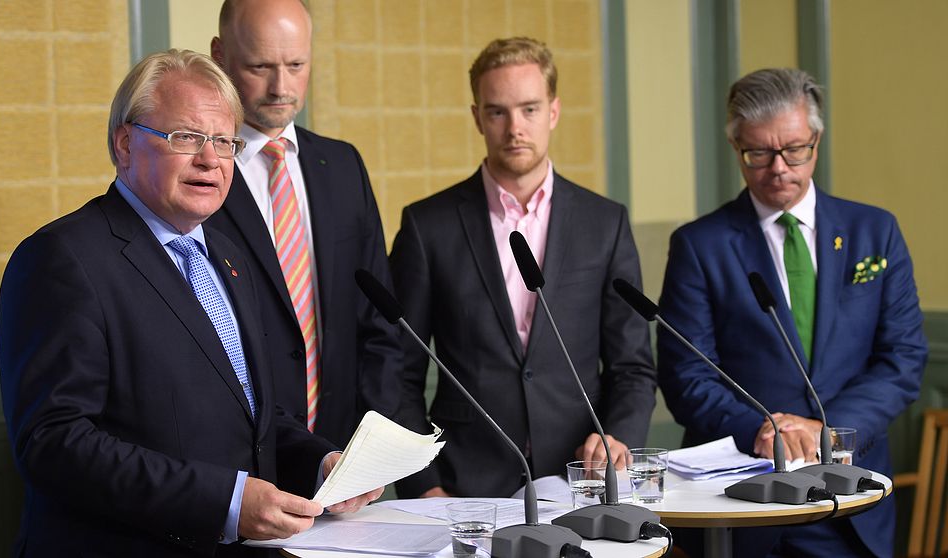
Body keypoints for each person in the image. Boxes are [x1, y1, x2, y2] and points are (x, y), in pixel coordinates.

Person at [0, 49, 380, 557]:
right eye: (186, 138)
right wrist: (224, 500)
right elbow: (53, 444)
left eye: (223, 142)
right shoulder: (61, 258)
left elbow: (249, 413)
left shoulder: (227, 254)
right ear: (125, 143)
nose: (210, 159)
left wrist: (320, 460)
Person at [657, 68, 927, 557]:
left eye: (794, 149)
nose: (778, 167)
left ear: (816, 141)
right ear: (737, 148)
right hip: (741, 507)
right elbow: (687, 376)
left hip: (851, 501)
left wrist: (828, 430)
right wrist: (764, 431)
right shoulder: (700, 245)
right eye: (758, 153)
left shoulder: (874, 232)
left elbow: (903, 358)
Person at [390, 37, 657, 499]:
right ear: (477, 117)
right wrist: (423, 485)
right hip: (462, 487)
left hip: (583, 478)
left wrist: (618, 438)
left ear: (553, 112)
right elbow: (397, 369)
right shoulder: (426, 226)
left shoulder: (604, 223)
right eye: (498, 112)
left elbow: (632, 365)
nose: (515, 127)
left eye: (529, 109)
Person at [207, 0, 401, 447]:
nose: (281, 87)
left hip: (343, 451)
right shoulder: (199, 173)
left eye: (296, 65)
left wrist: (376, 439)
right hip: (239, 455)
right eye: (260, 66)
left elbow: (379, 321)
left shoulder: (343, 164)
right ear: (220, 55)